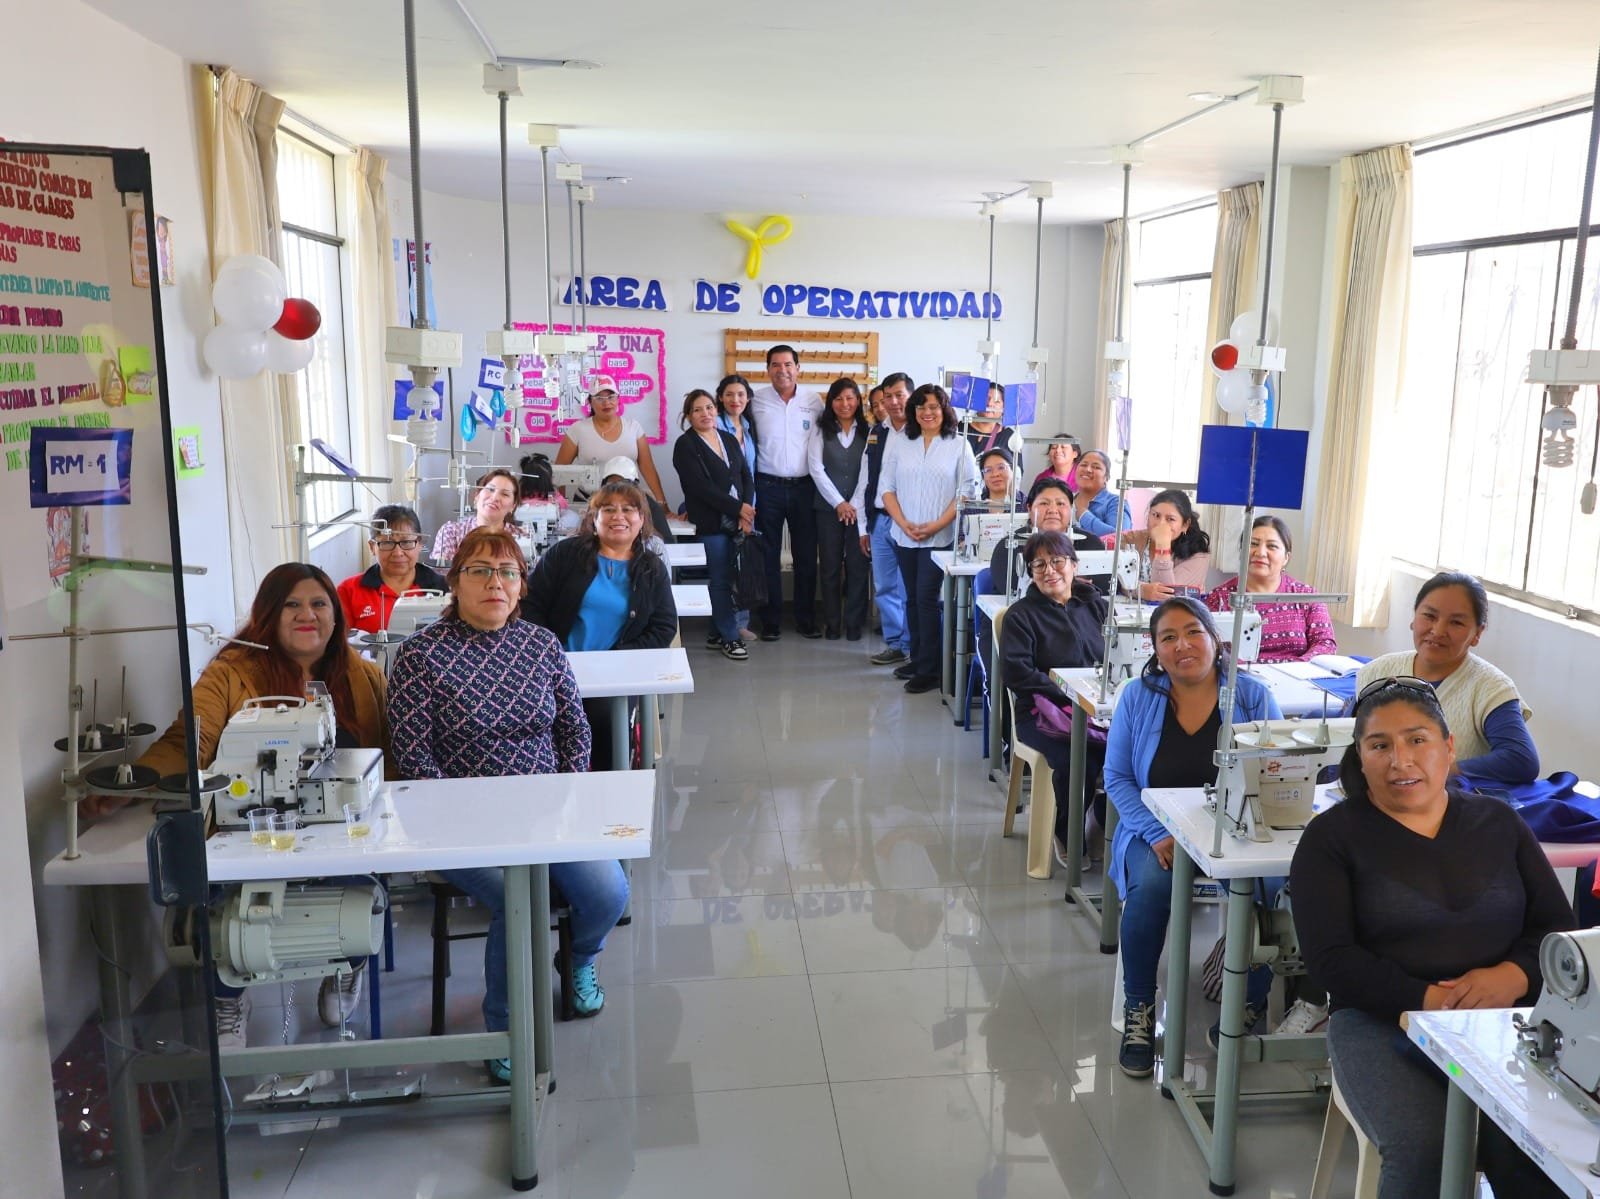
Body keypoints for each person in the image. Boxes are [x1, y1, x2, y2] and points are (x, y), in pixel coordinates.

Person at [81, 564, 390, 1046]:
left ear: (336, 615)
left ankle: (346, 966)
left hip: (337, 822)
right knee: (230, 905)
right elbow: (189, 739)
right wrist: (136, 784)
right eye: (291, 605)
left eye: (318, 604)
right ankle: (228, 994)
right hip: (252, 823)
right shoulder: (232, 672)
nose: (307, 615)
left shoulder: (363, 677)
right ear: (269, 614)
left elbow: (389, 753)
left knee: (358, 877)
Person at [1290, 677, 1572, 1199]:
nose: (1400, 761)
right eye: (1380, 745)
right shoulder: (1330, 838)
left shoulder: (1499, 822)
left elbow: (1558, 931)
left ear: (1449, 747)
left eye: (1417, 740)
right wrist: (1428, 1000)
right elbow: (1332, 960)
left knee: (1541, 1145)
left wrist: (1513, 975)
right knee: (1426, 1149)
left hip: (1503, 1020)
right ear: (1361, 757)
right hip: (1382, 1023)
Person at [389, 529, 626, 1080]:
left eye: (508, 573)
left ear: (521, 586)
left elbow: (574, 729)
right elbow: (414, 755)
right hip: (456, 822)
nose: (495, 583)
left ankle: (578, 958)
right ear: (455, 582)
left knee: (608, 893)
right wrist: (468, 818)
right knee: (518, 900)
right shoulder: (422, 655)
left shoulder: (541, 644)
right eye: (480, 571)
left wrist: (566, 795)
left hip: (546, 812)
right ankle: (506, 1026)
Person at [1105, 597, 1281, 1076]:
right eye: (1168, 637)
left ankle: (1248, 1001)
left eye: (1192, 633)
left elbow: (1277, 769)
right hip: (1156, 829)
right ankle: (1140, 1008)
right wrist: (1155, 831)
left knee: (1269, 890)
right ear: (1155, 649)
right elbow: (1118, 777)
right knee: (1150, 890)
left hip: (1232, 827)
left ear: (1215, 640)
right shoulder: (1138, 697)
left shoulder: (1251, 696)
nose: (1182, 645)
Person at [523, 480, 678, 768]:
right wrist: (550, 653)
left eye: (628, 509)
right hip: (556, 670)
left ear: (641, 519)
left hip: (615, 675)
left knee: (605, 727)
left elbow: (664, 626)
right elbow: (531, 605)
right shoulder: (565, 555)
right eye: (608, 509)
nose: (618, 516)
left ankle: (607, 787)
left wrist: (618, 657)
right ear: (594, 519)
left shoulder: (651, 568)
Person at [1355, 571, 1537, 784]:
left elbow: (1521, 759)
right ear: (1414, 618)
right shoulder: (1376, 672)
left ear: (1477, 633)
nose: (1438, 630)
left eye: (1456, 623)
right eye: (1429, 616)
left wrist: (1440, 770)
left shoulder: (1491, 688)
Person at [999, 532, 1106, 864]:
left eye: (1057, 561)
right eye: (1039, 564)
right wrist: (1066, 690)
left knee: (1132, 751)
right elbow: (1016, 673)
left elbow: (1115, 655)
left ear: (1074, 565)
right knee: (1079, 760)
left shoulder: (1095, 606)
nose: (1049, 571)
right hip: (1041, 713)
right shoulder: (1021, 615)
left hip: (1095, 710)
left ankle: (1105, 819)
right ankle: (1066, 830)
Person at [879, 383, 979, 694]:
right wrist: (903, 523)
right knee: (911, 597)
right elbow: (886, 487)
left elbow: (966, 492)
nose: (927, 412)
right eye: (921, 407)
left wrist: (935, 525)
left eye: (934, 406)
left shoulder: (958, 444)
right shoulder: (901, 443)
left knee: (926, 598)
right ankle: (918, 658)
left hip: (940, 537)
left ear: (944, 409)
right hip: (904, 534)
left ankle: (931, 669)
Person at [672, 389, 754, 660]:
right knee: (720, 580)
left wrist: (746, 511)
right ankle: (730, 637)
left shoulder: (728, 439)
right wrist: (738, 509)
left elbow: (746, 476)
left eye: (709, 407)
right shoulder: (685, 445)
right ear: (688, 416)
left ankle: (715, 632)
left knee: (735, 577)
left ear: (716, 410)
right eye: (697, 410)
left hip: (738, 520)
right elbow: (700, 488)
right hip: (711, 523)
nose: (705, 413)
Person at [750, 344, 825, 640]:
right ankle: (770, 621)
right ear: (767, 369)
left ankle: (806, 619)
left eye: (788, 364)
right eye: (776, 365)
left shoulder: (813, 401)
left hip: (804, 487)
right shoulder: (755, 400)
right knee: (767, 556)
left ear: (798, 368)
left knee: (805, 555)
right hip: (766, 486)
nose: (782, 370)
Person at [1203, 515, 1337, 662]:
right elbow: (1208, 648)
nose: (1260, 553)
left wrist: (1296, 667)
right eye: (1253, 544)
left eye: (1272, 546)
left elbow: (1325, 644)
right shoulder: (1219, 598)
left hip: (1297, 674)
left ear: (1286, 557)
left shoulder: (1307, 596)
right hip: (1241, 675)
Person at [809, 377, 871, 641]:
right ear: (830, 402)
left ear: (858, 400)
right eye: (838, 398)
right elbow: (816, 468)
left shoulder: (869, 431)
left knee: (858, 567)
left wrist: (852, 504)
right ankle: (833, 624)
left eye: (850, 398)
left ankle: (854, 624)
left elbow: (867, 472)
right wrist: (838, 503)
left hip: (859, 510)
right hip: (827, 509)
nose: (845, 404)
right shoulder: (820, 429)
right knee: (830, 567)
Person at [554, 374, 669, 508]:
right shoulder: (578, 429)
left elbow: (648, 468)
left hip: (627, 503)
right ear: (590, 402)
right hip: (587, 502)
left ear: (618, 399)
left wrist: (662, 504)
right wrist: (560, 506)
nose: (606, 403)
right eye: (599, 398)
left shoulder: (634, 428)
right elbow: (559, 472)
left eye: (611, 397)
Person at [862, 371, 913, 667]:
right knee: (884, 587)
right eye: (888, 397)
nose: (893, 402)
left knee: (909, 589)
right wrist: (863, 525)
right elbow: (865, 479)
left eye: (899, 395)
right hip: (880, 520)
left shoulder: (920, 432)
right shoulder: (877, 432)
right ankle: (894, 643)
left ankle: (911, 645)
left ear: (911, 397)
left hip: (908, 522)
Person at [338, 504, 448, 633]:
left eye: (406, 542)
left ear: (419, 544)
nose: (398, 553)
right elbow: (340, 641)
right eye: (387, 543)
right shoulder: (349, 591)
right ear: (372, 547)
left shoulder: (443, 587)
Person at [715, 373, 760, 642]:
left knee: (745, 566)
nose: (735, 399)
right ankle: (725, 626)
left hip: (750, 504)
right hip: (727, 506)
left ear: (748, 398)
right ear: (720, 398)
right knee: (726, 568)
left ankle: (741, 622)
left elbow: (750, 472)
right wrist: (739, 509)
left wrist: (749, 509)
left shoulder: (748, 425)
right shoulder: (715, 425)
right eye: (729, 394)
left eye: (741, 394)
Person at [1112, 487, 1211, 602]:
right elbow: (1117, 581)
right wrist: (1142, 590)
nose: (1161, 524)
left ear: (1185, 525)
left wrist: (1162, 545)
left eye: (1170, 519)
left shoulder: (1198, 555)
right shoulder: (1131, 540)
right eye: (1156, 515)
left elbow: (1167, 595)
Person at [431, 467, 524, 566]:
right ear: (477, 496)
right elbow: (442, 572)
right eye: (490, 489)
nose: (495, 497)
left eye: (505, 494)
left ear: (513, 506)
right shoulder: (451, 532)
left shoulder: (521, 537)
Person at [600, 455, 675, 547]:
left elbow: (668, 543)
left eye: (623, 485)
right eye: (612, 485)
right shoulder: (598, 504)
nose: (617, 490)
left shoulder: (650, 506)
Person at [1069, 450, 1129, 538]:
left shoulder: (1116, 502)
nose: (1088, 469)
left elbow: (1121, 538)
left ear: (1106, 478)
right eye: (1083, 465)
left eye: (1096, 467)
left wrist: (1084, 516)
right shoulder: (1066, 500)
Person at [966, 381, 1019, 470]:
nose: (990, 404)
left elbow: (1017, 472)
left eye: (997, 401)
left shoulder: (1010, 436)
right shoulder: (959, 428)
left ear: (1004, 407)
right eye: (986, 398)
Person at [1029, 433, 1080, 498]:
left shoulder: (1083, 477)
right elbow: (1032, 501)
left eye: (1063, 447)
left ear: (1075, 454)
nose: (1058, 450)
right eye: (1054, 447)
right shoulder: (1041, 478)